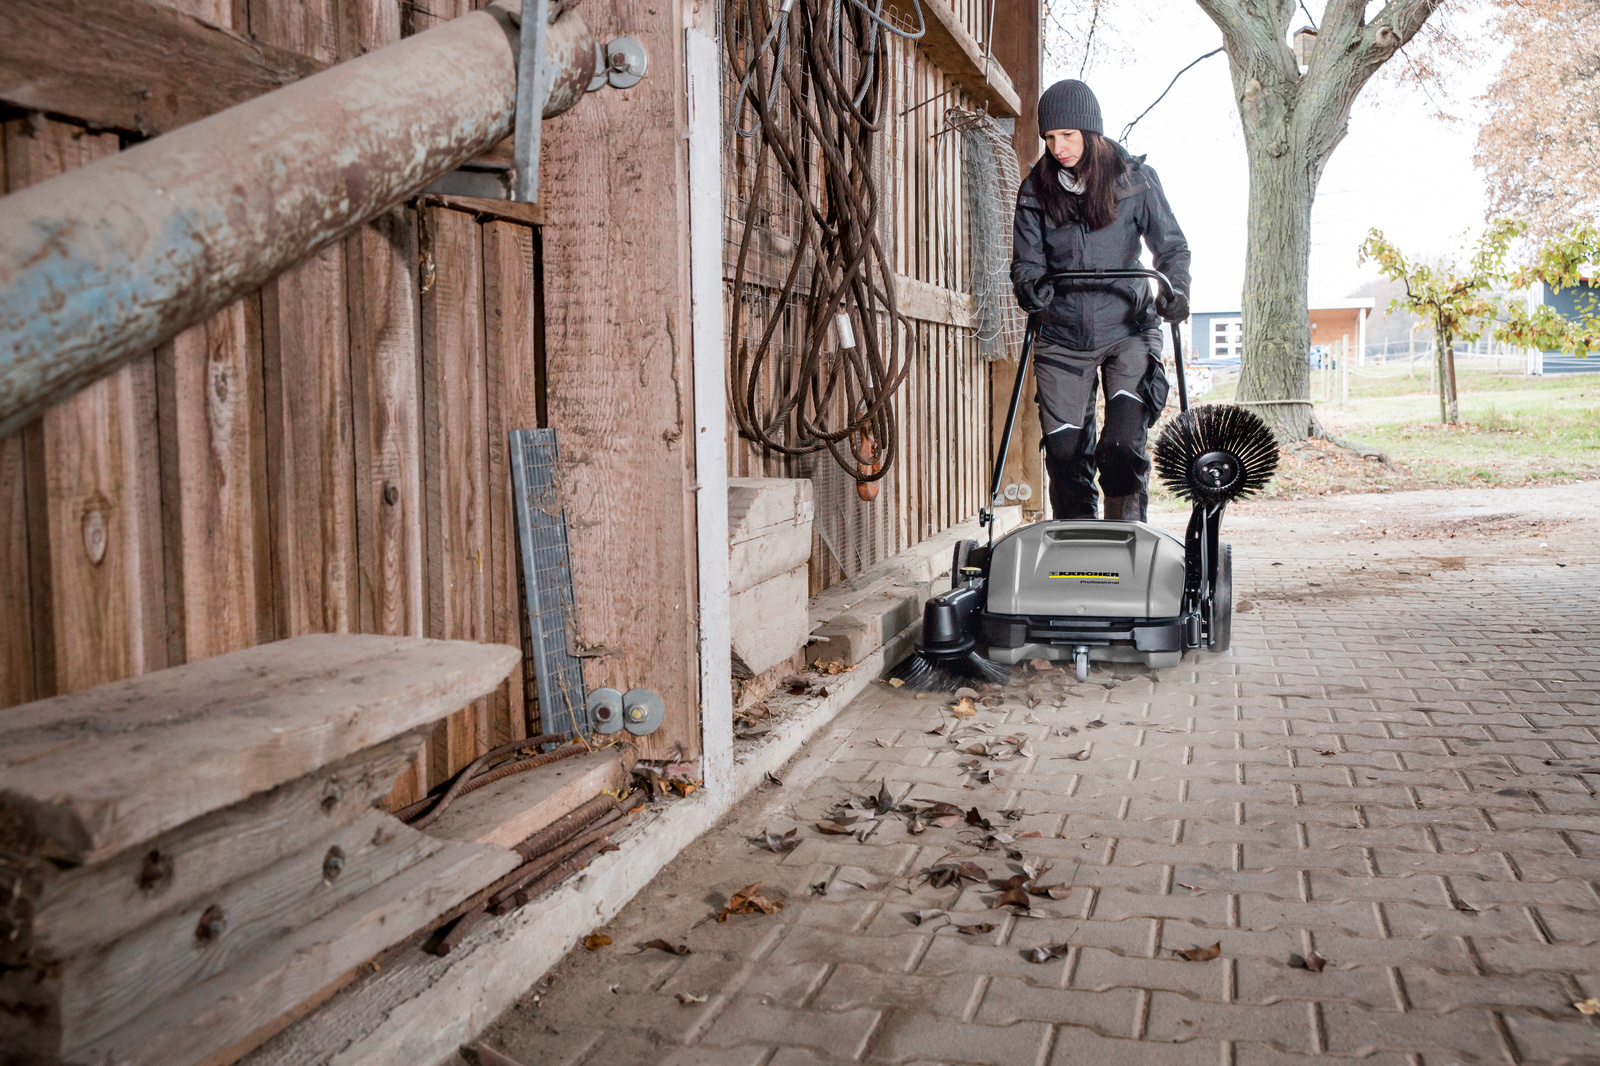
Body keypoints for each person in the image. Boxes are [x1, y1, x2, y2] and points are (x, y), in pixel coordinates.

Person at [1011, 79, 1191, 522]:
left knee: (1122, 445)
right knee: (1066, 456)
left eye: (1068, 135)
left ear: (1091, 133)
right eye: (1050, 138)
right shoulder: (1035, 190)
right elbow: (1026, 262)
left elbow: (1170, 248)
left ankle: (1126, 537)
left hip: (1127, 328)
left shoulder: (1136, 180)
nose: (1058, 147)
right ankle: (1077, 544)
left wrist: (1176, 289)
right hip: (1061, 335)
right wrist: (1030, 286)